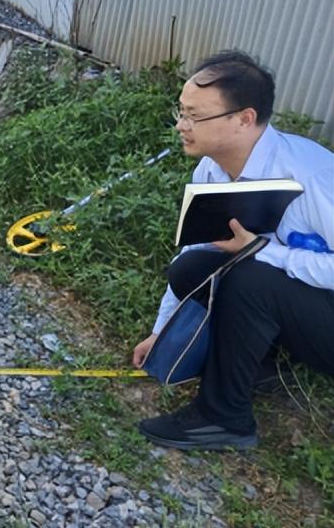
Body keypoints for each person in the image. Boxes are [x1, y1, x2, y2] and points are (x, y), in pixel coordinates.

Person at [134, 50, 334, 450]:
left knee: (251, 276)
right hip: (299, 305)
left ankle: (224, 418)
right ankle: (259, 367)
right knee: (192, 268)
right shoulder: (211, 170)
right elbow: (193, 249)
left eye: (194, 116)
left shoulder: (311, 175)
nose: (181, 125)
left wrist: (263, 252)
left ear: (244, 119)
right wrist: (161, 333)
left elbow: (263, 265)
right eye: (181, 111)